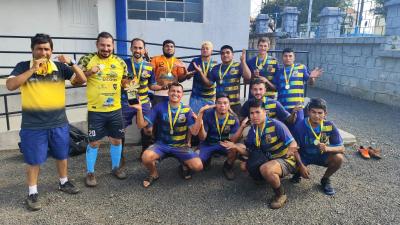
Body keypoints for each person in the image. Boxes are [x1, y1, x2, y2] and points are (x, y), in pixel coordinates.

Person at [6, 33, 86, 211]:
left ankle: (63, 182)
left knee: (61, 154)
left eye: (47, 49)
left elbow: (82, 80)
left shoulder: (59, 67)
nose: (43, 52)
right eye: (39, 49)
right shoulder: (22, 66)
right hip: (33, 125)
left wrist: (72, 63)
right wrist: (33, 70)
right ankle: (32, 192)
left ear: (52, 50)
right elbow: (11, 85)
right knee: (33, 160)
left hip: (58, 122)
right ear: (32, 50)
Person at [222, 99, 300, 209]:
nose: (254, 116)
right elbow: (249, 152)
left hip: (285, 159)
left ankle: (280, 195)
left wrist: (290, 150)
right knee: (244, 166)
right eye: (252, 113)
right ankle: (266, 178)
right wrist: (235, 147)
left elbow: (293, 143)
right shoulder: (253, 130)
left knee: (266, 169)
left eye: (257, 112)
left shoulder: (276, 125)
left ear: (265, 112)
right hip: (268, 158)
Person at [78, 32, 128, 187]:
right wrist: (89, 72)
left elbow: (126, 82)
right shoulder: (87, 59)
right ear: (97, 45)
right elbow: (75, 81)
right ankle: (90, 172)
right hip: (96, 110)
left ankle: (115, 168)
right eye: (103, 45)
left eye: (109, 45)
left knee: (117, 140)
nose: (106, 48)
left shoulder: (120, 62)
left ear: (113, 46)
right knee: (94, 143)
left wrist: (131, 89)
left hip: (115, 110)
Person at [133, 82, 203, 187]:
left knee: (198, 166)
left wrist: (199, 122)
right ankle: (154, 173)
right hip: (162, 145)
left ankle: (183, 164)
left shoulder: (187, 110)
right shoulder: (159, 107)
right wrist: (139, 110)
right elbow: (140, 125)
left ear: (182, 94)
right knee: (146, 157)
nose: (175, 93)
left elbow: (194, 132)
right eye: (173, 91)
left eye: (178, 91)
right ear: (168, 92)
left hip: (180, 146)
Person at [292, 98, 345, 195]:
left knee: (339, 158)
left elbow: (341, 148)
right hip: (304, 156)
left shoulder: (329, 125)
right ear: (308, 112)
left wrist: (327, 148)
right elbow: (294, 149)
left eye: (320, 113)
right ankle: (298, 172)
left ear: (325, 114)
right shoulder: (300, 126)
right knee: (289, 163)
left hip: (322, 156)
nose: (316, 116)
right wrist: (301, 165)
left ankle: (325, 179)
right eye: (313, 112)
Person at [120, 38, 160, 165]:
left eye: (140, 48)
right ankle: (120, 157)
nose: (137, 50)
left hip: (143, 101)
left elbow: (152, 85)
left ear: (144, 50)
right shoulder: (123, 64)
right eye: (135, 48)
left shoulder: (149, 66)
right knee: (121, 129)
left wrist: (163, 86)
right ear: (131, 49)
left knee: (148, 129)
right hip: (127, 100)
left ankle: (144, 152)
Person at [195, 93, 248, 180]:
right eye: (219, 103)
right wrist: (200, 124)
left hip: (225, 144)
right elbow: (202, 138)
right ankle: (206, 159)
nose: (222, 105)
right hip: (208, 143)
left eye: (225, 103)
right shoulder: (208, 114)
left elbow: (232, 140)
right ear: (215, 104)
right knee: (196, 164)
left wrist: (242, 127)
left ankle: (227, 167)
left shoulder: (233, 118)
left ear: (229, 105)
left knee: (236, 148)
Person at [272, 48, 323, 132]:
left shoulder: (301, 67)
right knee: (284, 131)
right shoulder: (279, 72)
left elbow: (311, 83)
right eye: (285, 56)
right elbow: (275, 88)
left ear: (294, 57)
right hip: (283, 108)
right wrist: (266, 81)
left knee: (299, 130)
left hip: (298, 107)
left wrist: (312, 78)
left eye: (290, 56)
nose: (288, 58)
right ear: (282, 57)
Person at [200, 45, 251, 115]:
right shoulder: (216, 68)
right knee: (218, 124)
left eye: (227, 53)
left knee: (236, 124)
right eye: (223, 53)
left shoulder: (238, 66)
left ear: (232, 55)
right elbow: (209, 84)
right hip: (220, 105)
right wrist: (200, 72)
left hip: (234, 104)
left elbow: (248, 77)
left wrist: (243, 62)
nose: (225, 55)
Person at [150, 39, 188, 106]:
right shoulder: (155, 59)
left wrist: (186, 72)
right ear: (163, 48)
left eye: (171, 46)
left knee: (172, 115)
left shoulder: (178, 62)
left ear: (174, 49)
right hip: (159, 93)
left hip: (174, 94)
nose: (169, 48)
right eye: (167, 46)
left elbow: (180, 79)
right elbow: (150, 73)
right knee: (158, 115)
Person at [186, 41, 216, 114]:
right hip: (196, 97)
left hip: (209, 98)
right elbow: (188, 77)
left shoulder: (214, 64)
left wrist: (200, 72)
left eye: (207, 48)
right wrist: (190, 73)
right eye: (203, 48)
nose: (204, 50)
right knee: (194, 119)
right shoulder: (195, 61)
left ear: (211, 51)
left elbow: (210, 83)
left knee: (208, 121)